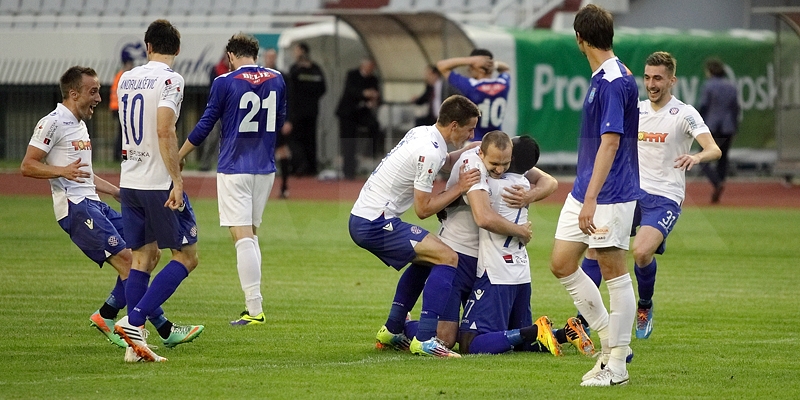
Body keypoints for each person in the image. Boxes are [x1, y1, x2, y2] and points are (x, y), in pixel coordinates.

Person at [20, 66, 200, 361]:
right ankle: (160, 330)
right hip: (76, 209)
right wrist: (61, 171)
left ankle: (108, 314)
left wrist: (115, 191)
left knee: (148, 253)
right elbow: (28, 165)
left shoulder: (79, 125)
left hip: (94, 203)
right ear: (73, 93)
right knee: (130, 262)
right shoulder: (52, 122)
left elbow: (83, 174)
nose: (99, 98)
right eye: (93, 92)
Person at [580, 52, 722, 339]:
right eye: (647, 77)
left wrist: (696, 157)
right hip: (630, 192)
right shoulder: (637, 109)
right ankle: (582, 319)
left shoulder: (685, 113)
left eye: (658, 78)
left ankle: (644, 305)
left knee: (642, 252)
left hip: (665, 197)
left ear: (672, 80)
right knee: (596, 248)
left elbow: (714, 149)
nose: (651, 84)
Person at [376, 131, 538, 351]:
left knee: (476, 333)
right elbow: (483, 217)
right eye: (495, 164)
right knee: (446, 338)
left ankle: (401, 323)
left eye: (505, 164)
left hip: (483, 261)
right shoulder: (472, 165)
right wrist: (521, 231)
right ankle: (401, 326)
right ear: (481, 153)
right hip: (456, 253)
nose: (500, 170)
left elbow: (548, 181)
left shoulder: (500, 157)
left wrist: (530, 195)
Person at [349, 95, 481, 358]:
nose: (472, 134)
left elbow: (444, 161)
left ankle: (392, 329)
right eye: (470, 129)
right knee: (447, 257)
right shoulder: (429, 151)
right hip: (375, 223)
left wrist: (470, 150)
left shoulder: (424, 134)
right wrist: (460, 187)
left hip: (365, 217)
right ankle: (425, 339)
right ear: (454, 125)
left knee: (426, 259)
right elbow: (423, 210)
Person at [549, 4, 639, 387]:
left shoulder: (614, 80)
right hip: (586, 188)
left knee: (613, 271)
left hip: (609, 194)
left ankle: (617, 363)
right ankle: (607, 341)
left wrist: (591, 199)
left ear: (580, 39)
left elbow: (611, 142)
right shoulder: (605, 76)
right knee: (561, 262)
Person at [178, 33, 287, 326]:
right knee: (250, 234)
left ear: (230, 55)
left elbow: (206, 124)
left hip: (234, 166)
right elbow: (279, 120)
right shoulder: (277, 78)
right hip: (265, 167)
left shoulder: (224, 81)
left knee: (242, 238)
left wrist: (180, 154)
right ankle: (254, 307)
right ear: (256, 53)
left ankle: (254, 310)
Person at [113, 19, 204, 363]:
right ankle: (134, 321)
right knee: (187, 256)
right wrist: (177, 180)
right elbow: (165, 130)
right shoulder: (171, 80)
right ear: (177, 49)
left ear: (147, 46)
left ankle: (134, 349)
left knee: (143, 258)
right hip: (157, 183)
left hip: (130, 180)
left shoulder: (126, 78)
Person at [457, 135, 594, 357]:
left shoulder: (492, 185)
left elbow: (481, 215)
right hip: (520, 272)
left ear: (511, 158)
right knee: (521, 342)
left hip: (496, 272)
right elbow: (550, 182)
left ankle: (537, 329)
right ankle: (566, 333)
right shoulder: (523, 185)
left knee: (469, 343)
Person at [436, 49, 510, 141]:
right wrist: (493, 64)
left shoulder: (471, 86)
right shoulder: (503, 83)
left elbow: (441, 66)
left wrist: (470, 60)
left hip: (475, 141)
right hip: (496, 141)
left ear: (480, 69)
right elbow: (506, 69)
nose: (469, 69)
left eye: (471, 66)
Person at [699, 57, 739, 203]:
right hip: (728, 127)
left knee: (703, 158)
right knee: (723, 158)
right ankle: (720, 182)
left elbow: (703, 106)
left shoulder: (708, 86)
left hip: (712, 126)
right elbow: (736, 108)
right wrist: (735, 126)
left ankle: (716, 182)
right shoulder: (731, 87)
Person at [336, 58, 381, 180]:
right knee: (348, 141)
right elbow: (350, 91)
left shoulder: (373, 79)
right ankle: (348, 171)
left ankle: (370, 152)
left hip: (362, 112)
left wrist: (374, 99)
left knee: (374, 125)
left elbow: (377, 95)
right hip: (348, 113)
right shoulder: (352, 75)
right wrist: (364, 93)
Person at [286, 42, 327, 178]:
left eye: (297, 50)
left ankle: (310, 168)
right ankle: (298, 166)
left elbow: (322, 89)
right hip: (297, 112)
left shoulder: (315, 69)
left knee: (310, 140)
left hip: (310, 112)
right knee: (296, 140)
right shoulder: (295, 69)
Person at [197, 53, 231, 172]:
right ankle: (205, 163)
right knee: (212, 137)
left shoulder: (235, 72)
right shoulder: (217, 70)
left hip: (230, 110)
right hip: (218, 109)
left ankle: (225, 163)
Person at [110, 53, 134, 162]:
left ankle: (118, 153)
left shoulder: (119, 75)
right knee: (123, 131)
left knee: (122, 131)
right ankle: (118, 153)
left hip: (115, 106)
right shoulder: (124, 76)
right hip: (119, 107)